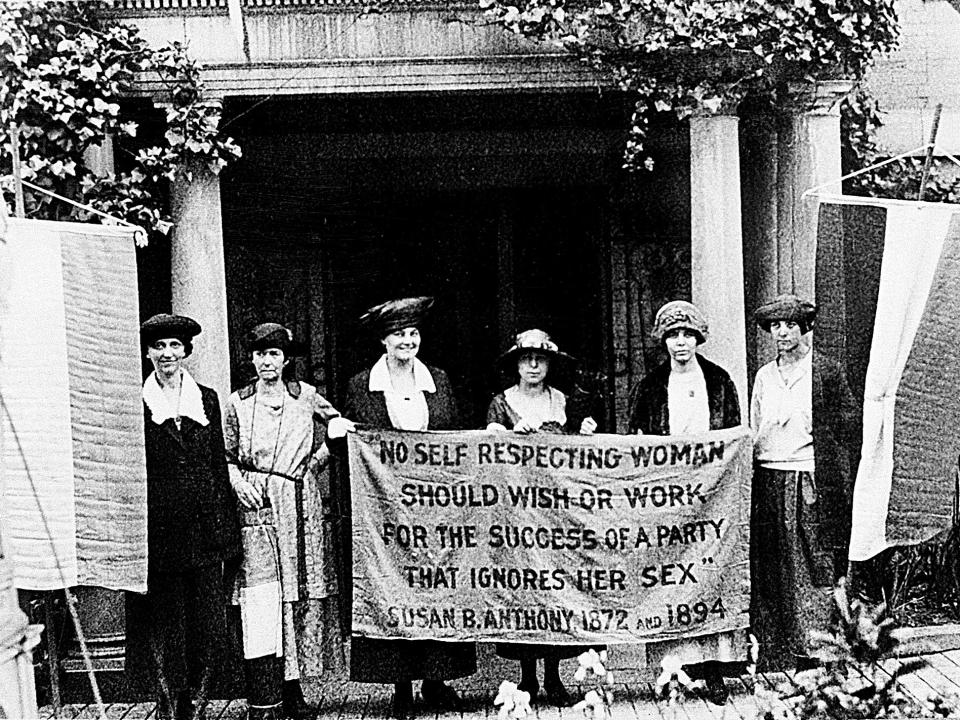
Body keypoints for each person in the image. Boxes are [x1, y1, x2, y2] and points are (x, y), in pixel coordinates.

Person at [342, 296, 477, 715]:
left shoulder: (438, 379)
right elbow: (357, 445)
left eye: (413, 333)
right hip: (385, 512)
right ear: (384, 340)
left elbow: (453, 439)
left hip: (435, 510)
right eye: (399, 333)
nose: (407, 340)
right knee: (391, 586)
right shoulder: (360, 385)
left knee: (435, 585)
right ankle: (399, 686)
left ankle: (437, 681)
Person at [224, 323, 354, 719]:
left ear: (285, 358)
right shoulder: (238, 403)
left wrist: (312, 466)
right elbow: (225, 454)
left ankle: (295, 688)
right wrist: (237, 483)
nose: (267, 361)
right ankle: (269, 690)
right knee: (265, 597)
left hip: (300, 502)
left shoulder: (305, 396)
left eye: (274, 354)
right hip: (257, 504)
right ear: (252, 358)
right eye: (260, 354)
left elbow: (340, 430)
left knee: (299, 593)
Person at [626, 300, 743, 705]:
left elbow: (733, 440)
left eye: (687, 335)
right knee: (670, 578)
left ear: (698, 339)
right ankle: (673, 672)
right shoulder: (651, 385)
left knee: (708, 573)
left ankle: (714, 671)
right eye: (673, 335)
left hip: (711, 497)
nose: (680, 343)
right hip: (666, 498)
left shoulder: (720, 381)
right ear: (664, 341)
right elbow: (636, 439)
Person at [126, 314, 241, 720]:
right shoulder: (135, 402)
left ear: (186, 352)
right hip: (161, 531)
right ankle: (170, 703)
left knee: (206, 624)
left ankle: (198, 698)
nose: (167, 354)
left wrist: (227, 529)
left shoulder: (206, 399)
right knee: (166, 624)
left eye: (175, 346)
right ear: (148, 353)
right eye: (159, 347)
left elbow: (217, 463)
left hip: (206, 528)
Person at [486, 328, 597, 706]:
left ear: (549, 364)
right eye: (526, 358)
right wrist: (509, 435)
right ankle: (527, 678)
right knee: (524, 591)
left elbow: (572, 458)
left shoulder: (561, 400)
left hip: (555, 515)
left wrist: (582, 434)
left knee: (555, 590)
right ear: (516, 364)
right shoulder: (501, 404)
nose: (533, 365)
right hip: (517, 516)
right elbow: (488, 450)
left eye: (541, 358)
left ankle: (554, 676)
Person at [750, 294, 859, 669]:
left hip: (809, 476)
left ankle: (818, 648)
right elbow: (755, 426)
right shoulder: (765, 375)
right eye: (776, 326)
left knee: (814, 561)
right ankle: (777, 650)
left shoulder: (825, 371)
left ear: (804, 329)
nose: (782, 333)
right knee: (774, 563)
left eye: (790, 325)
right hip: (769, 476)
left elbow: (849, 424)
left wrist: (822, 432)